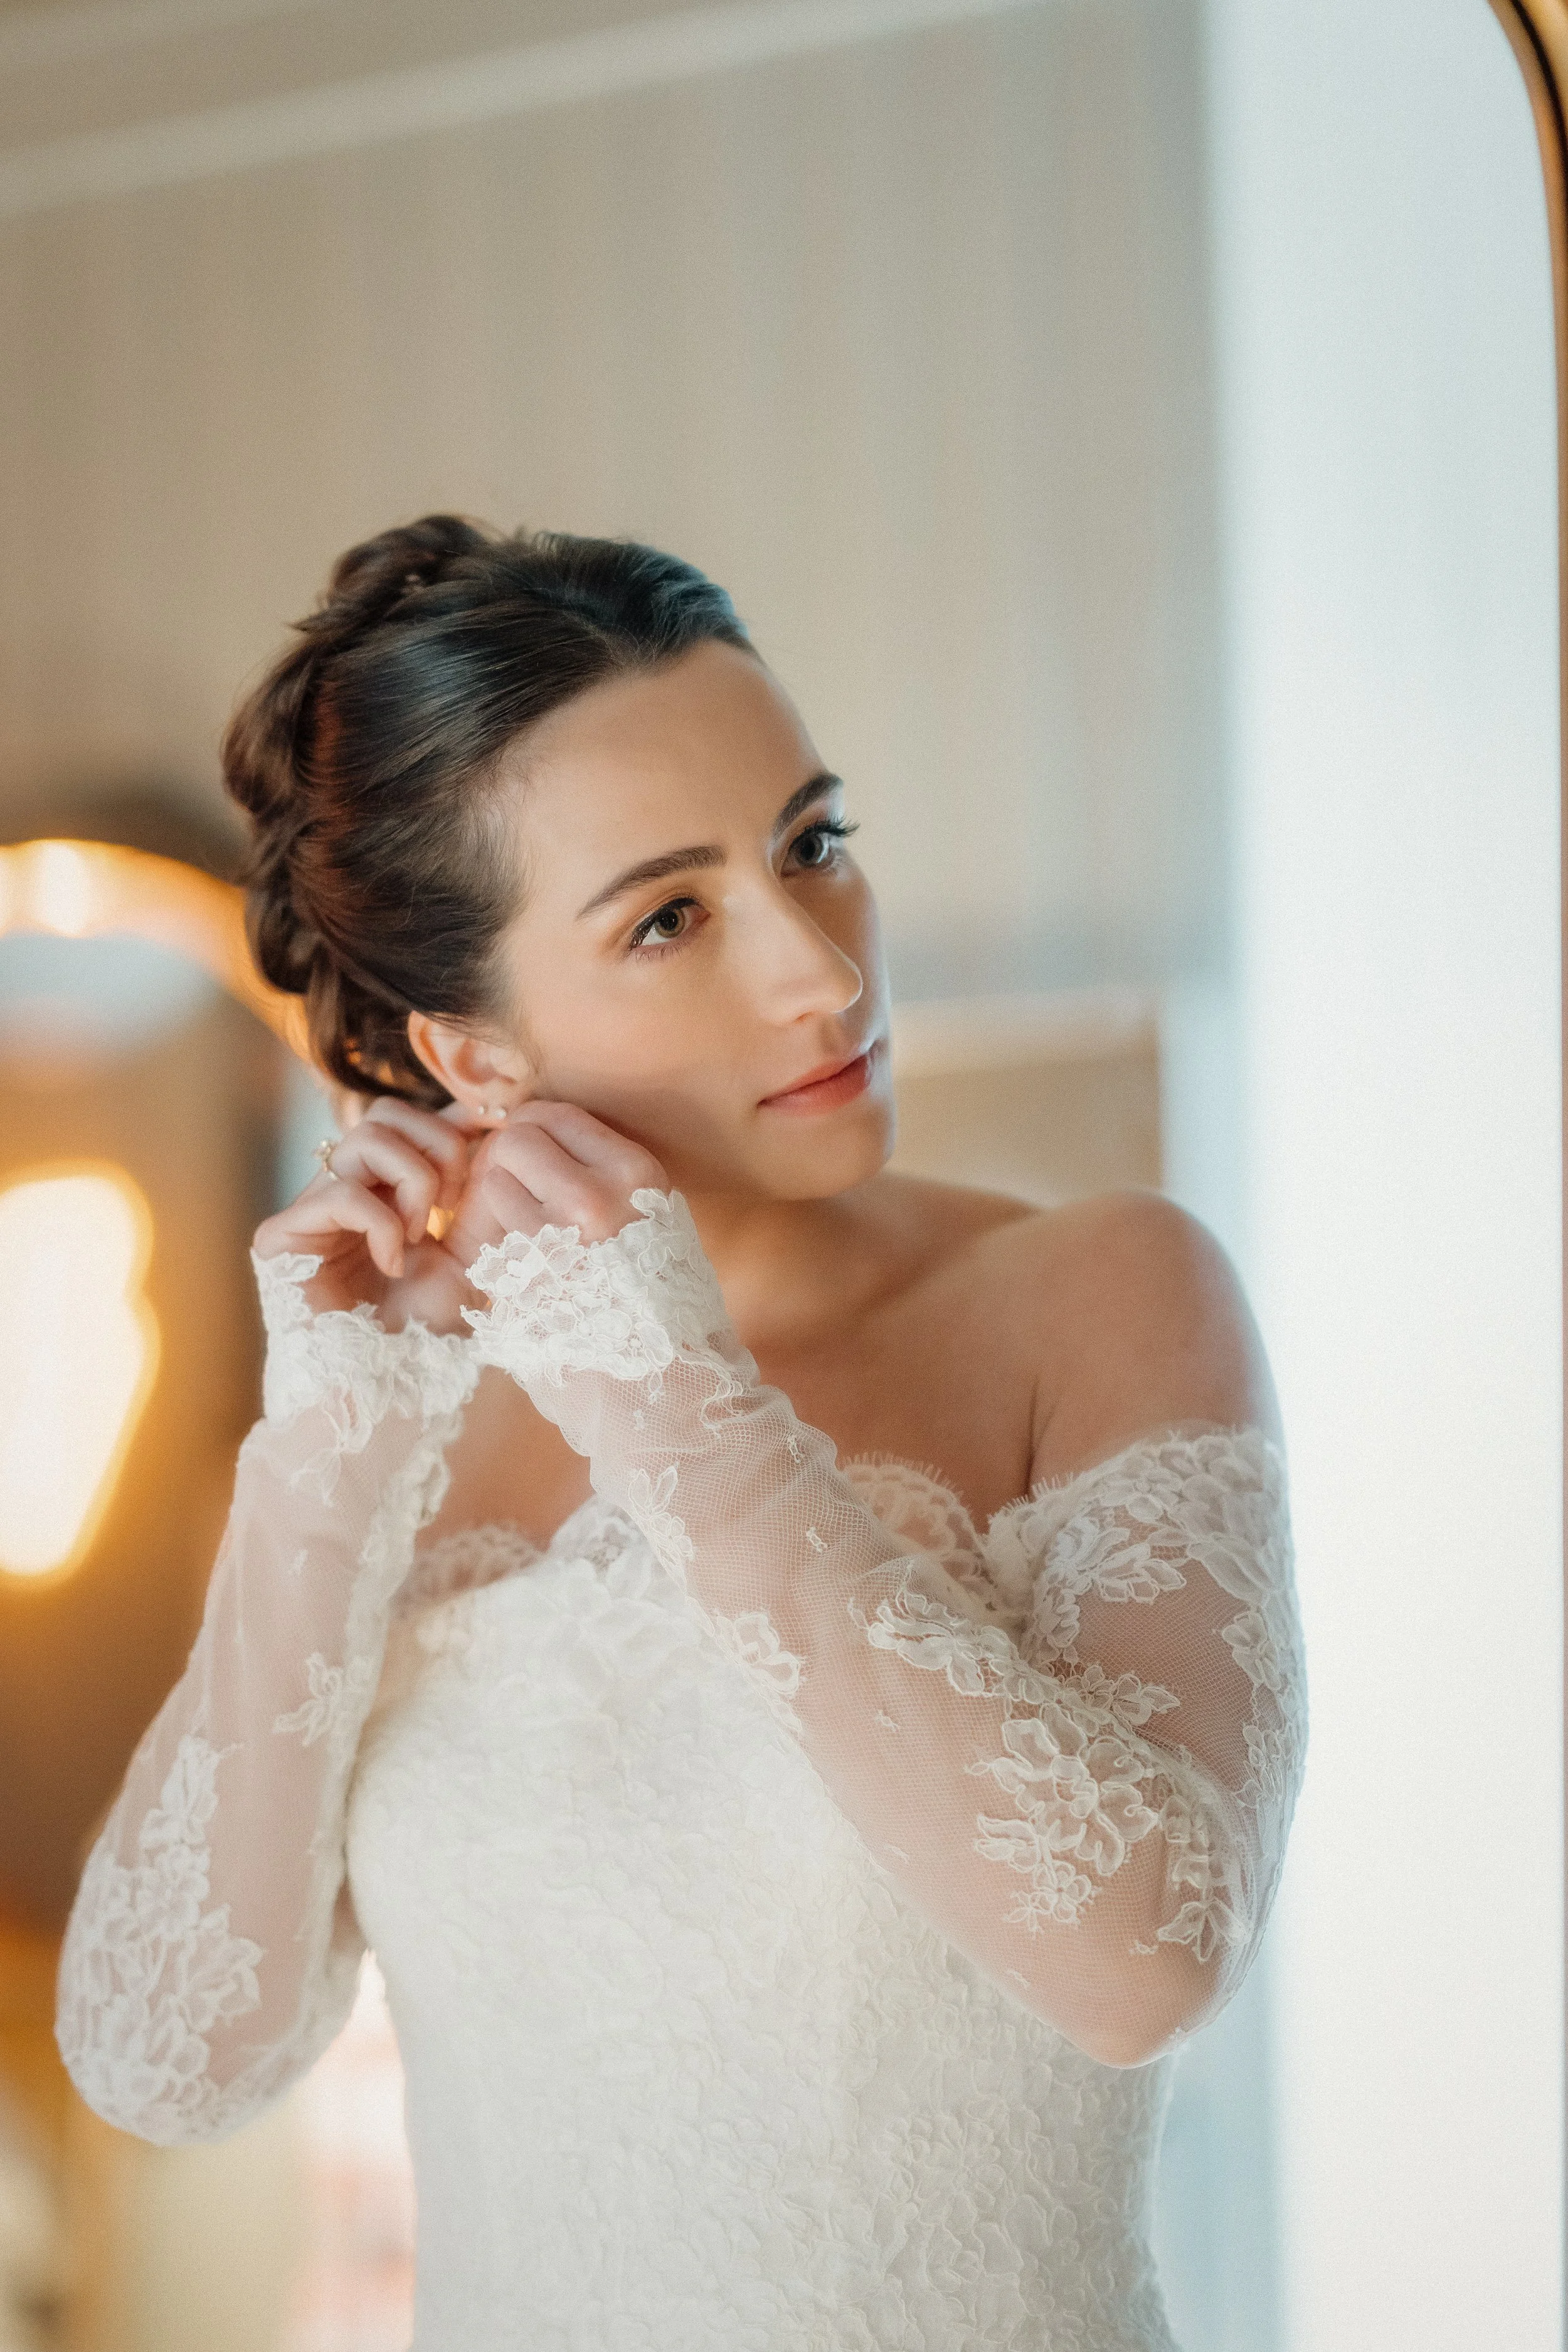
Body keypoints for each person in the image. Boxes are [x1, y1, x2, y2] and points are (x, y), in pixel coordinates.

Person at [55, 514, 1306, 2349]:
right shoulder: (391, 1418)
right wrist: (321, 1469)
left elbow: (1144, 1961)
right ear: (470, 1052)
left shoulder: (1099, 1293)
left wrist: (684, 1415)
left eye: (813, 844)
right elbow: (170, 2060)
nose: (819, 969)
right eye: (669, 914)